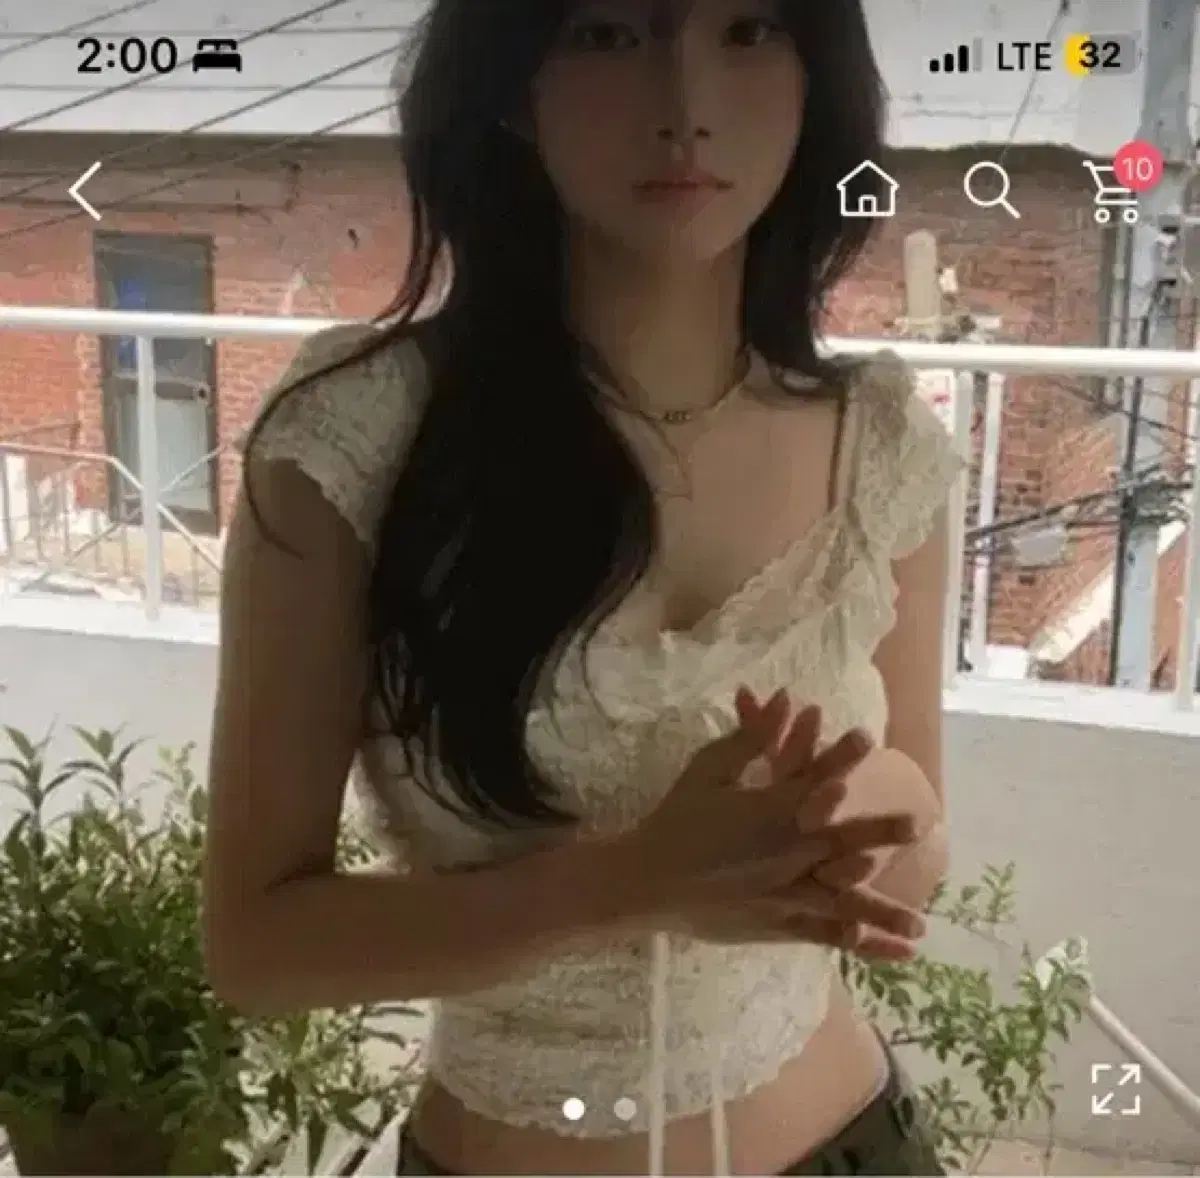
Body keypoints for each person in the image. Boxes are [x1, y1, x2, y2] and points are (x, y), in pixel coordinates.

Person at [203, 0, 961, 1173]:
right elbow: (257, 945)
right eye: (608, 34)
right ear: (510, 84)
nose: (686, 106)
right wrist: (631, 883)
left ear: (816, 79)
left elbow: (919, 831)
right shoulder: (355, 446)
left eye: (749, 31)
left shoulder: (882, 441)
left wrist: (864, 824)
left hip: (847, 1138)